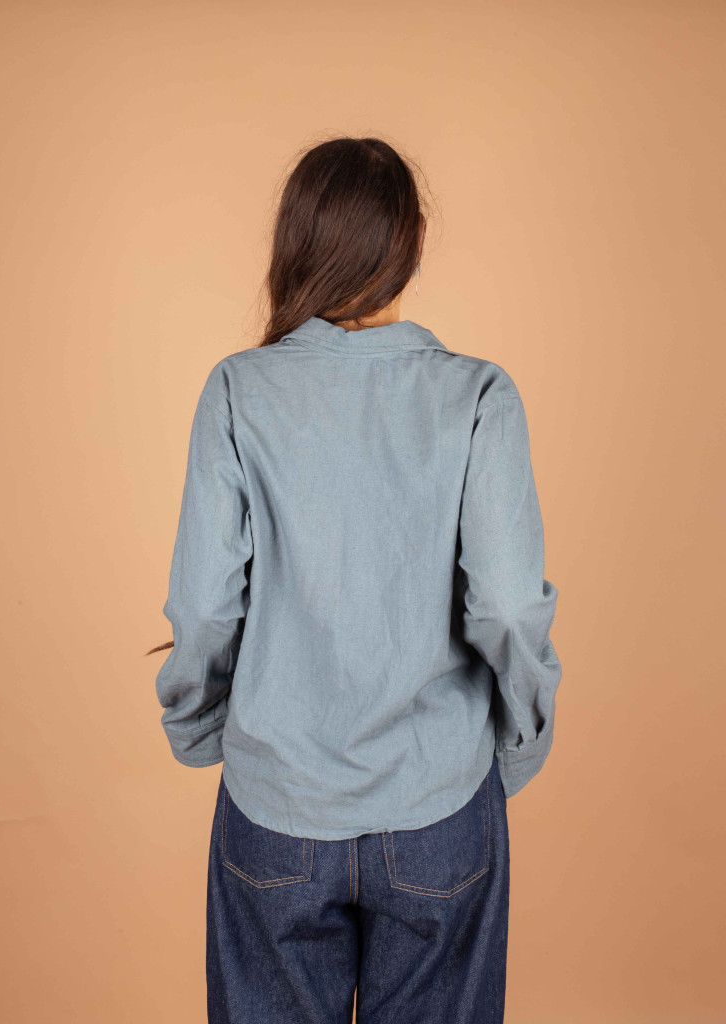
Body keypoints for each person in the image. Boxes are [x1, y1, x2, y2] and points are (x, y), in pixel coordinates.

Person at [148, 135, 562, 1023]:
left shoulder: (238, 390)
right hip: (440, 803)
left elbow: (205, 606)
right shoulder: (478, 395)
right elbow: (505, 605)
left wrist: (200, 726)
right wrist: (519, 741)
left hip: (276, 806)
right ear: (412, 243)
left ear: (297, 242)